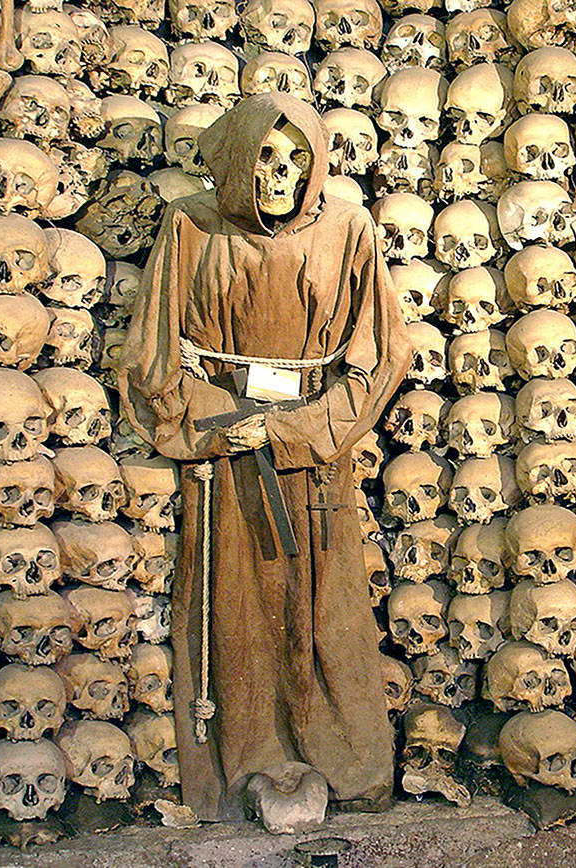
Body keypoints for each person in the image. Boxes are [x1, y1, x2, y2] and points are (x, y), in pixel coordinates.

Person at [118, 94, 411, 820]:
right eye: (264, 159)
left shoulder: (348, 229)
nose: (278, 176)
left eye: (295, 161)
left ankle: (338, 760)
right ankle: (247, 757)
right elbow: (153, 355)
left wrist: (295, 431)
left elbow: (381, 356)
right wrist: (221, 423)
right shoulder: (192, 225)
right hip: (224, 460)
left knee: (327, 612)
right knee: (236, 615)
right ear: (237, 161)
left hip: (314, 458)